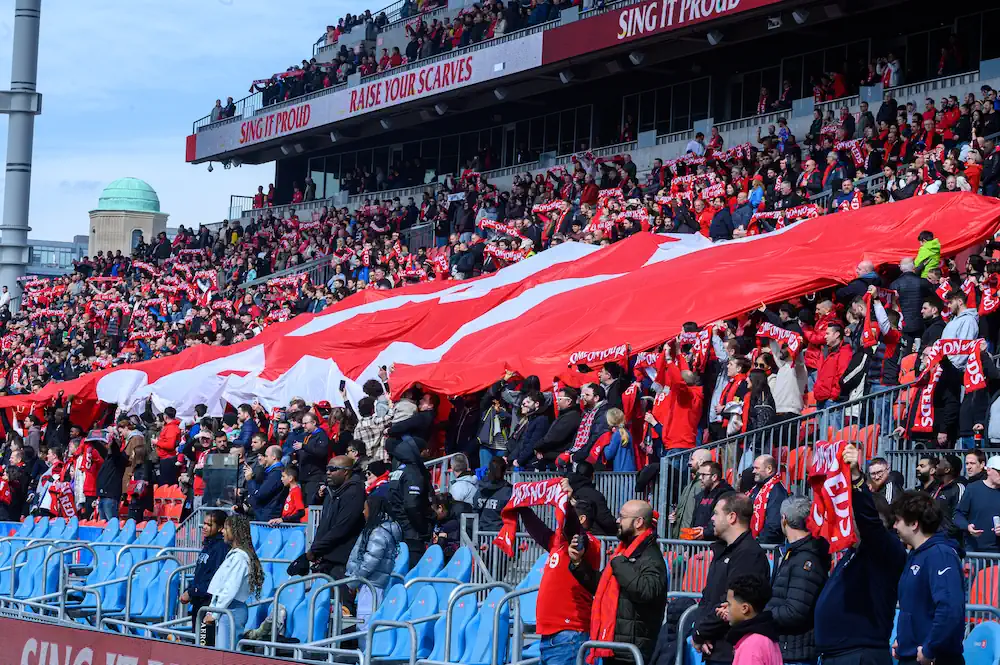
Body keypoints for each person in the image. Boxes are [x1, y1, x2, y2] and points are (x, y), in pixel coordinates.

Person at [814, 444, 907, 665]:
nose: (849, 521)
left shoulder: (885, 548)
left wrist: (856, 478)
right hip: (838, 654)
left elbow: (869, 523)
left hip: (860, 655)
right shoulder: (855, 550)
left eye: (852, 516)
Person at [568, 500, 667, 665]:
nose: (617, 521)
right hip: (615, 647)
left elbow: (646, 591)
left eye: (622, 517)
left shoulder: (650, 557)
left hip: (632, 653)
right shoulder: (624, 552)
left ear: (639, 522)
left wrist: (620, 563)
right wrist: (579, 563)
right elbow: (600, 585)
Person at [519, 495, 600, 665]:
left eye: (564, 513)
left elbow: (575, 531)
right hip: (551, 634)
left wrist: (568, 506)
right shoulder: (559, 542)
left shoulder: (589, 543)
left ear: (582, 518)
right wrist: (521, 505)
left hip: (569, 634)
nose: (560, 517)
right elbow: (539, 530)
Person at [692, 493, 771, 665]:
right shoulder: (723, 551)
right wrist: (699, 632)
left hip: (731, 652)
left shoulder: (749, 554)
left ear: (732, 517)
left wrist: (701, 633)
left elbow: (730, 604)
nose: (712, 518)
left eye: (716, 513)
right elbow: (708, 598)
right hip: (715, 648)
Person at [890, 491, 965, 665]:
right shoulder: (916, 555)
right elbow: (916, 606)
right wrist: (904, 640)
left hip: (934, 659)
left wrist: (930, 648)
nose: (894, 526)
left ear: (914, 523)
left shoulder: (940, 555)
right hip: (911, 656)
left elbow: (949, 609)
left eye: (898, 521)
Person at [765, 496, 831, 665]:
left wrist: (761, 615)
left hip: (795, 654)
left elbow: (795, 611)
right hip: (786, 650)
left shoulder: (806, 559)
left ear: (784, 519)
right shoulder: (795, 553)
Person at [203, 514, 264, 650]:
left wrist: (214, 613)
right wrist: (212, 609)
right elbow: (221, 588)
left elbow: (230, 589)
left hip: (232, 610)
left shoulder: (240, 558)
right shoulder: (234, 555)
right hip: (225, 608)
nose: (222, 531)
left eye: (225, 528)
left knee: (226, 653)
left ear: (235, 531)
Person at [345, 494, 402, 636]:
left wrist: (353, 582)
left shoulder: (378, 533)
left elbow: (369, 563)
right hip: (369, 584)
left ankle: (365, 656)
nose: (363, 512)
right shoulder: (376, 530)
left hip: (371, 586)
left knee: (365, 626)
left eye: (365, 509)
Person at [307, 455, 366, 577]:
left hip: (342, 561)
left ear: (345, 472)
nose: (328, 473)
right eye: (327, 469)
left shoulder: (353, 493)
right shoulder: (331, 491)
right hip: (326, 557)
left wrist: (316, 549)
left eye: (333, 469)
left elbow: (342, 528)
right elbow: (324, 523)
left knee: (339, 595)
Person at [180, 509, 230, 640]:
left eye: (209, 525)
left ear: (220, 528)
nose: (205, 527)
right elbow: (200, 573)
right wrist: (191, 590)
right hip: (198, 600)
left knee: (203, 642)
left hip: (208, 602)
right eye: (204, 524)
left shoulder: (221, 548)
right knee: (196, 639)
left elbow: (215, 578)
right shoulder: (208, 545)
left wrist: (192, 592)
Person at [388, 435, 434, 568]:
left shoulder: (398, 471)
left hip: (399, 530)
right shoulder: (412, 473)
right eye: (426, 450)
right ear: (418, 451)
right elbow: (412, 505)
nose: (428, 453)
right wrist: (423, 529)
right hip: (412, 535)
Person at [724, 575, 783, 665]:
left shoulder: (751, 646)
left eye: (729, 604)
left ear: (744, 608)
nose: (726, 609)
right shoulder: (769, 637)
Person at [953, 455, 1000, 552]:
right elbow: (958, 514)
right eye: (999, 472)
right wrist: (967, 527)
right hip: (974, 550)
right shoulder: (973, 489)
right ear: (989, 470)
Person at [563, 462, 617, 536]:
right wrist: (619, 527)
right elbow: (605, 520)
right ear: (592, 476)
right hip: (594, 537)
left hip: (570, 533)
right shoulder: (595, 495)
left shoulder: (567, 491)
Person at [670, 449, 713, 538]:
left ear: (700, 461)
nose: (689, 463)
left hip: (690, 542)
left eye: (692, 459)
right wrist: (675, 516)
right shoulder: (690, 486)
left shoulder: (703, 486)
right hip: (682, 541)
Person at [747, 455, 789, 545]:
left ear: (769, 469)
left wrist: (754, 543)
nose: (753, 471)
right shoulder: (757, 488)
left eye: (756, 468)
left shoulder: (777, 491)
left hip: (765, 547)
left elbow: (774, 525)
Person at [690, 461, 735, 540]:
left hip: (715, 545)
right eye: (699, 475)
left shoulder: (726, 494)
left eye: (703, 475)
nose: (700, 478)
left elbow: (723, 521)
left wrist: (705, 532)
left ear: (714, 477)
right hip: (698, 545)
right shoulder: (701, 495)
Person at [298, 411, 331, 504]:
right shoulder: (306, 436)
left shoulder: (321, 435)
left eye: (305, 423)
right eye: (302, 423)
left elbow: (322, 452)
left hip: (314, 477)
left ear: (314, 423)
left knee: (310, 504)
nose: (303, 426)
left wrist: (304, 446)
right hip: (304, 476)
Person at [472, 456, 512, 531]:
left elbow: (475, 510)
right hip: (501, 536)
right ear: (504, 471)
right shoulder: (508, 491)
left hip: (481, 535)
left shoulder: (481, 488)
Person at [249, 445, 285, 521]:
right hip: (265, 513)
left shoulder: (276, 474)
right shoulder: (272, 472)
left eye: (266, 456)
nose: (265, 458)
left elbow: (260, 495)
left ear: (274, 457)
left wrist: (250, 480)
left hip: (269, 516)